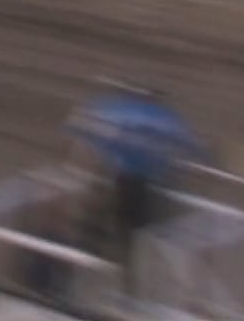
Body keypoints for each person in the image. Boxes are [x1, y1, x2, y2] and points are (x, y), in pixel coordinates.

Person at [66, 79, 201, 291]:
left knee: (99, 225)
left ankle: (85, 268)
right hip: (144, 184)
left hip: (115, 179)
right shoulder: (166, 119)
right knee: (133, 235)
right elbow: (189, 149)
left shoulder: (114, 109)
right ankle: (127, 280)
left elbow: (80, 128)